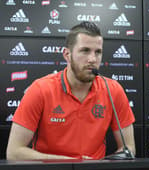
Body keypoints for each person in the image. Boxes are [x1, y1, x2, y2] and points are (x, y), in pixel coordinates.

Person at [6, 21, 136, 160]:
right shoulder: (40, 89)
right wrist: (72, 163)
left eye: (98, 52)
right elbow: (14, 152)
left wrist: (102, 163)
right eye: (85, 51)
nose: (92, 59)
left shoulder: (113, 90)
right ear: (67, 54)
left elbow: (129, 148)